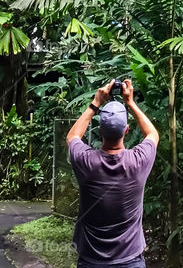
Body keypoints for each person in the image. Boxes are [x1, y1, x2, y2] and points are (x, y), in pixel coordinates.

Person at [66, 79, 158, 268]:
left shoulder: (86, 161)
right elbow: (153, 135)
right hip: (130, 260)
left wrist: (95, 103)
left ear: (100, 131)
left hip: (91, 261)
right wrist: (130, 102)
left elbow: (72, 136)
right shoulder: (138, 161)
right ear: (126, 130)